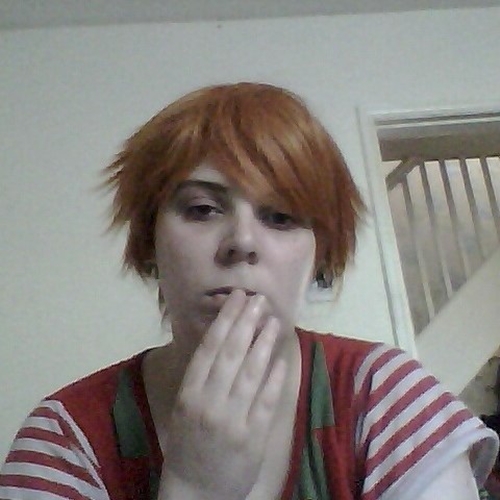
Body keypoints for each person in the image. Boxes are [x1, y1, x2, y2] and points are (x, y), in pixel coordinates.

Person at [0, 82, 498, 500]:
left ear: (320, 257)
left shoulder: (386, 395)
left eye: (280, 217)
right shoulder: (66, 435)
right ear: (149, 243)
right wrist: (195, 488)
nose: (242, 242)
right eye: (201, 209)